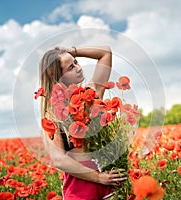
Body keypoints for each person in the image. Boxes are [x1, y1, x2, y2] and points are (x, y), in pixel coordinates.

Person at [39, 46, 126, 199]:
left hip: (110, 183)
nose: (79, 68)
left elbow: (105, 53)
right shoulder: (53, 114)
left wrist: (71, 51)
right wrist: (98, 178)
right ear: (58, 77)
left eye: (76, 62)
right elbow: (59, 160)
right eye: (71, 67)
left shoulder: (90, 93)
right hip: (81, 189)